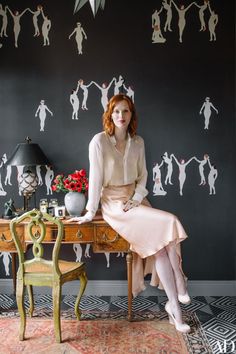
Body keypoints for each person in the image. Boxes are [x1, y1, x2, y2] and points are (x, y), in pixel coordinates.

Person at [69, 94, 191, 333]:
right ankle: (179, 280)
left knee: (162, 246)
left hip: (136, 200)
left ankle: (174, 307)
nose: (121, 116)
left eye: (125, 111)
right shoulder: (99, 142)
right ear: (109, 114)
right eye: (116, 111)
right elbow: (95, 180)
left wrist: (136, 199)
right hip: (115, 205)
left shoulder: (138, 142)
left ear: (131, 115)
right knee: (171, 222)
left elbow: (143, 176)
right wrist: (90, 211)